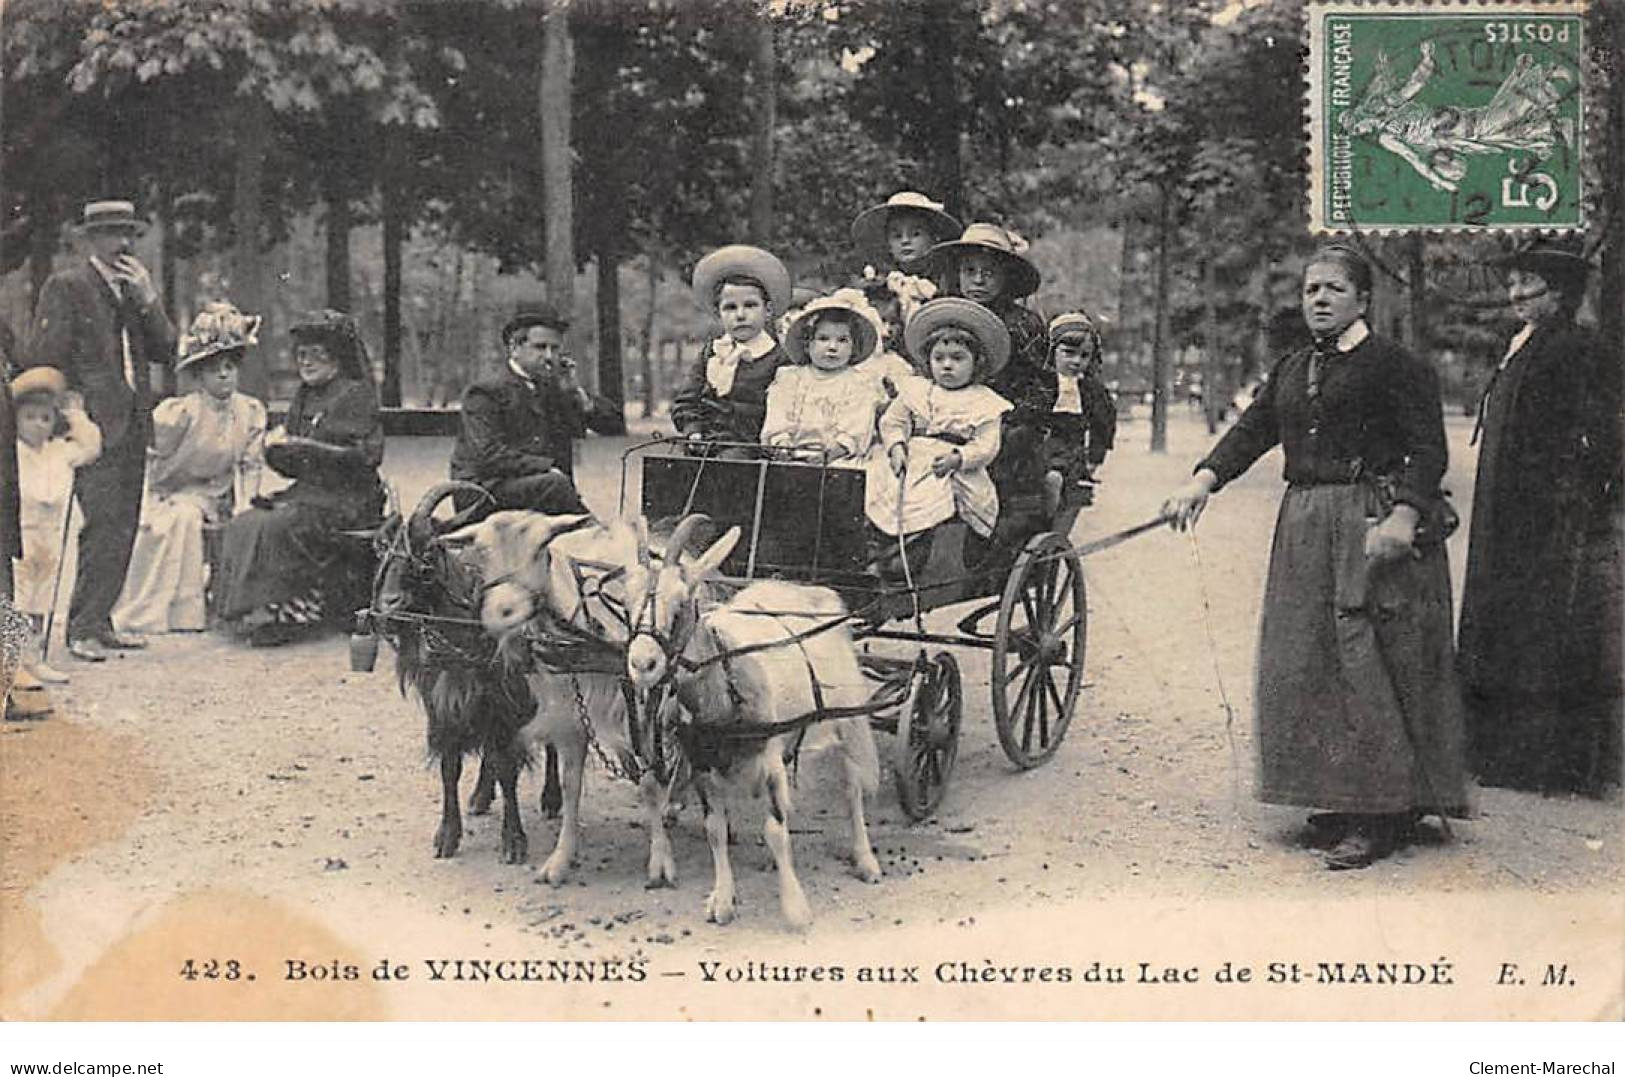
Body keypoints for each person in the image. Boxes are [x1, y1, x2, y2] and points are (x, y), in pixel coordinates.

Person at [1161, 243, 1469, 871]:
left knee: (1367, 658)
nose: (1319, 300)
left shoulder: (1394, 365)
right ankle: (1341, 792)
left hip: (1370, 520)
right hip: (1304, 522)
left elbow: (1427, 449)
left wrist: (1406, 516)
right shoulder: (1295, 367)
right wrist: (1202, 481)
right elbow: (1252, 431)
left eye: (1332, 289)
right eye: (1310, 291)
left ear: (1362, 298)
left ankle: (1382, 811)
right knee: (1308, 655)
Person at [1457, 239, 1621, 796]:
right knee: (1502, 619)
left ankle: (1545, 764)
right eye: (1512, 284)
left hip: (1548, 513)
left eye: (1528, 284)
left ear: (1559, 294)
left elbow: (1601, 432)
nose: (1515, 293)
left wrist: (1578, 494)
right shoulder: (1522, 345)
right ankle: (1495, 753)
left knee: (1545, 628)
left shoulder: (1576, 347)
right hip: (1505, 508)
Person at [25, 200, 176, 662]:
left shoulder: (134, 290)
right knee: (101, 523)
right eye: (111, 234)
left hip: (132, 423)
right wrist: (71, 413)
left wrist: (150, 299)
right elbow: (46, 357)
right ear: (88, 240)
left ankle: (100, 621)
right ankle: (80, 629)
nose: (122, 244)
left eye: (128, 233)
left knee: (123, 525)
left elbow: (166, 350)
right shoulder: (68, 286)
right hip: (90, 425)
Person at [216, 310, 384, 647]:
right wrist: (276, 452)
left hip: (349, 497)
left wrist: (308, 447)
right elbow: (293, 467)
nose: (305, 363)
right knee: (246, 522)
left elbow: (366, 458)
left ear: (336, 359)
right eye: (301, 355)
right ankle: (250, 610)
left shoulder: (356, 393)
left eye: (316, 355)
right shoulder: (304, 396)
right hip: (307, 492)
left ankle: (288, 615)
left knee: (279, 526)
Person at [113, 302, 268, 635]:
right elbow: (149, 459)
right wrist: (144, 503)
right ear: (199, 376)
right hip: (172, 493)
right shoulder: (180, 413)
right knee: (181, 517)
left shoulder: (250, 411)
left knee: (248, 521)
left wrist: (245, 505)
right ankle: (176, 612)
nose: (224, 374)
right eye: (214, 369)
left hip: (221, 496)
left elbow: (250, 464)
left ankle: (231, 603)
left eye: (230, 366)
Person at [865, 297, 1012, 562]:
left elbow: (987, 444)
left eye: (957, 358)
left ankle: (913, 552)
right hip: (910, 458)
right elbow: (893, 421)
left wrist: (960, 458)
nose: (946, 365)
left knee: (931, 495)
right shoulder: (917, 391)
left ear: (976, 362)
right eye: (939, 358)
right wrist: (896, 446)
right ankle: (878, 545)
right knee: (874, 478)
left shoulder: (985, 401)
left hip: (949, 466)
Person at [448, 303, 618, 518]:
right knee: (556, 485)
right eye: (540, 347)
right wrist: (545, 467)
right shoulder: (486, 391)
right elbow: (489, 455)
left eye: (555, 349)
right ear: (514, 348)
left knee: (556, 486)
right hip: (484, 493)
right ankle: (594, 531)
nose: (549, 356)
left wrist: (578, 393)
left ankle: (590, 530)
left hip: (541, 489)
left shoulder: (555, 389)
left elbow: (613, 426)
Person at [10, 367, 102, 683]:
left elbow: (90, 447)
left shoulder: (59, 451)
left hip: (51, 534)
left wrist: (74, 415)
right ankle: (14, 660)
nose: (37, 425)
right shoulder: (12, 454)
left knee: (44, 596)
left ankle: (36, 656)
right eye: (30, 417)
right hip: (20, 532)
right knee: (18, 597)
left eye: (45, 418)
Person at [670, 244, 793, 447]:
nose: (740, 315)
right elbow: (687, 401)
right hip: (705, 444)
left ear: (768, 310)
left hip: (752, 448)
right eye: (730, 308)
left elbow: (784, 411)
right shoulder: (712, 352)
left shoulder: (779, 358)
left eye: (750, 305)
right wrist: (693, 432)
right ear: (718, 313)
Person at [760, 289, 881, 462]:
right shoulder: (790, 378)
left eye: (842, 340)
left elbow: (856, 428)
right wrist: (782, 444)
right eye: (823, 338)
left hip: (836, 458)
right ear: (808, 344)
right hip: (789, 454)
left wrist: (831, 453)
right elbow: (778, 414)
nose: (832, 347)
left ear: (854, 347)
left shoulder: (859, 383)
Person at [1038, 310, 1117, 511]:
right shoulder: (1040, 384)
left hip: (1069, 451)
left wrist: (1095, 459)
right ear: (1052, 350)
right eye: (1068, 353)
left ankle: (1048, 517)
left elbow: (1104, 424)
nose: (1076, 361)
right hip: (1037, 446)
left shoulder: (1091, 389)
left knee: (1056, 474)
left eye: (1084, 355)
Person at [850, 190, 962, 281]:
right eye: (897, 236)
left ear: (933, 238)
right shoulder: (880, 285)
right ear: (888, 244)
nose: (905, 241)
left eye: (915, 234)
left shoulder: (947, 280)